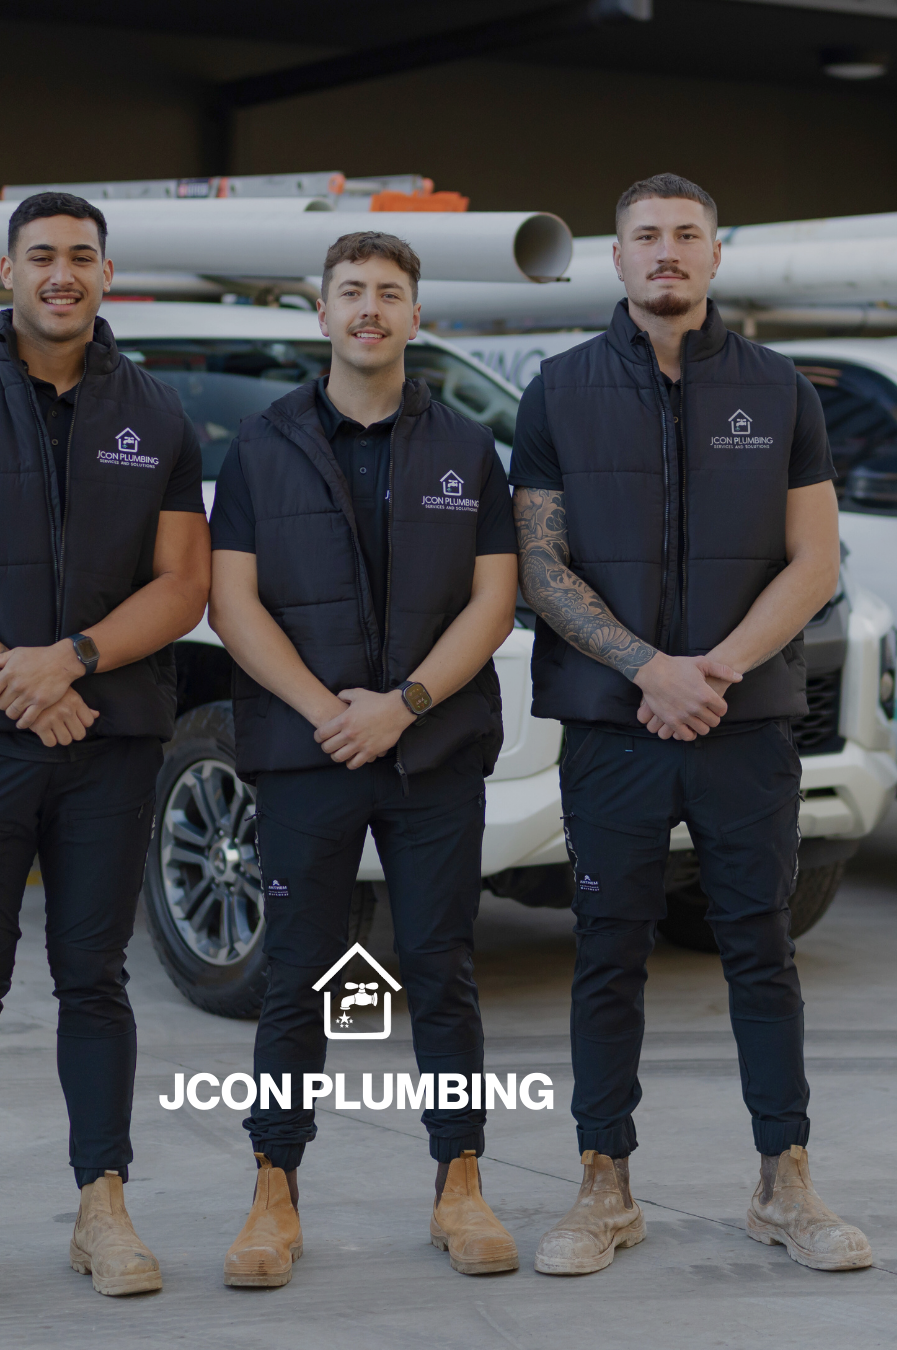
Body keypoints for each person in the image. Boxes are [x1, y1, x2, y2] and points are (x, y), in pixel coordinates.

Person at [510, 173, 872, 1276]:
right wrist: (644, 669)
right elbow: (540, 561)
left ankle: (785, 1184)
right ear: (615, 261)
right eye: (645, 237)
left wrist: (709, 670)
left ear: (714, 258)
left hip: (744, 721)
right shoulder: (558, 391)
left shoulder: (783, 391)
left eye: (686, 236)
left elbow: (815, 561)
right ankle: (602, 1187)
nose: (666, 253)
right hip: (614, 730)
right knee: (607, 958)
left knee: (760, 953)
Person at [0, 191, 211, 1308]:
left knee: (94, 979)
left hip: (108, 739)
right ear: (7, 275)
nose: (62, 273)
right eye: (41, 256)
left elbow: (183, 584)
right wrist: (12, 679)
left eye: (81, 256)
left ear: (108, 275)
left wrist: (67, 659)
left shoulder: (156, 413)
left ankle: (101, 1209)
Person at [208, 231, 520, 1287]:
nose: (370, 309)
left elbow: (493, 597)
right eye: (352, 292)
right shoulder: (262, 445)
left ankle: (460, 1183)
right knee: (295, 974)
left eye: (390, 293)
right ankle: (273, 1189)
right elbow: (232, 600)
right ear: (323, 312)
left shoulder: (469, 448)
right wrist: (326, 713)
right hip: (308, 756)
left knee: (442, 972)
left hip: (433, 750)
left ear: (415, 316)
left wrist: (405, 704)